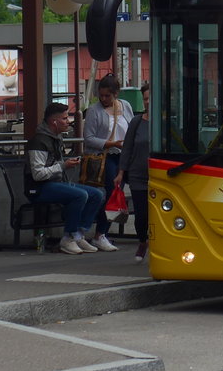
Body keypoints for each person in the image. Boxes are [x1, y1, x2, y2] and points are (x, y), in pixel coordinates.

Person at [25, 102, 105, 256]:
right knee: (80, 195)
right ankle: (68, 237)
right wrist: (63, 166)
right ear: (54, 122)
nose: (68, 121)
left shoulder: (56, 138)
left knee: (97, 194)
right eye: (64, 118)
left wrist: (66, 165)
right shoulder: (39, 141)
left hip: (56, 184)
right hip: (38, 187)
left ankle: (78, 234)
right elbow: (37, 174)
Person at [82, 73, 134, 251]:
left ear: (116, 94)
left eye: (107, 96)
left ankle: (102, 233)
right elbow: (88, 138)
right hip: (105, 156)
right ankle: (100, 234)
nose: (103, 99)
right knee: (112, 191)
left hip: (124, 155)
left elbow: (131, 128)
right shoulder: (94, 111)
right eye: (101, 95)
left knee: (117, 193)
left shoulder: (125, 106)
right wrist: (111, 143)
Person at [117, 82, 151, 263]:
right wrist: (121, 172)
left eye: (151, 98)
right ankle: (142, 241)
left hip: (159, 176)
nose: (148, 102)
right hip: (138, 175)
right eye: (145, 99)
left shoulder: (166, 122)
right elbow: (127, 148)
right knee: (141, 214)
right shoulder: (136, 122)